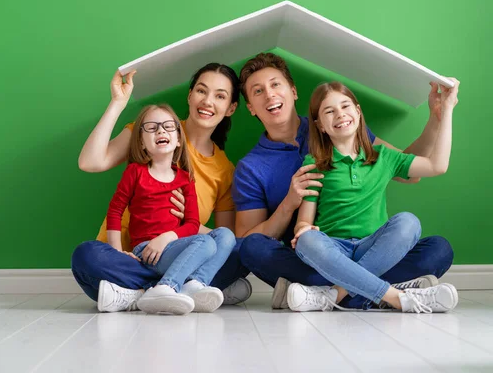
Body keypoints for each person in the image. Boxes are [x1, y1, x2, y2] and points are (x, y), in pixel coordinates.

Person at [233, 53, 455, 310]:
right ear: (250, 106)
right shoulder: (251, 168)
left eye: (275, 84)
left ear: (293, 91)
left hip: (368, 249)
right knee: (254, 248)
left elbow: (410, 170)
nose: (270, 95)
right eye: (258, 91)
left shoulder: (345, 129)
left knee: (437, 249)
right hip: (318, 255)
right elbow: (245, 240)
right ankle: (392, 292)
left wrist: (437, 117)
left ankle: (327, 296)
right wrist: (289, 205)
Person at [72, 64, 251, 313]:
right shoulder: (154, 129)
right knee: (86, 255)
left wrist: (188, 223)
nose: (208, 101)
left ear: (231, 107)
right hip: (125, 259)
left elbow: (222, 238)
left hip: (180, 254)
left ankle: (136, 295)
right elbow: (90, 162)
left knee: (243, 251)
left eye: (220, 96)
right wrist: (117, 103)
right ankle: (171, 289)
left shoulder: (224, 170)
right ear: (190, 96)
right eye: (201, 91)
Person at [286, 80, 459, 313]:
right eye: (329, 111)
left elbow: (437, 165)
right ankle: (397, 297)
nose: (340, 114)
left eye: (346, 106)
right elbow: (303, 222)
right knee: (307, 241)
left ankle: (334, 294)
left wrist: (445, 111)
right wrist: (304, 230)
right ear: (320, 126)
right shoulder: (314, 163)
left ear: (358, 112)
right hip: (334, 248)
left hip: (375, 248)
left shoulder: (384, 157)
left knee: (409, 222)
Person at [105, 103, 235, 314]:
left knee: (226, 236)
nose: (161, 131)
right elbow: (115, 211)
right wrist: (117, 253)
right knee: (205, 242)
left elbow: (192, 224)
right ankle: (165, 288)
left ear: (177, 140)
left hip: (175, 246)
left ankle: (194, 285)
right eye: (152, 127)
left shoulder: (185, 179)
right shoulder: (135, 172)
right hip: (147, 250)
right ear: (141, 141)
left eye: (168, 126)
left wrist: (166, 237)